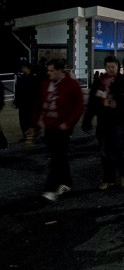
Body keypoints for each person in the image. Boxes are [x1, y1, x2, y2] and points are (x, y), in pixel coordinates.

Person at [29, 59, 84, 202]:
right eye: (48, 71)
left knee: (56, 156)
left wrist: (69, 123)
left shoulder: (71, 85)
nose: (49, 73)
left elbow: (79, 106)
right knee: (59, 156)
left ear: (60, 71)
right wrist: (34, 125)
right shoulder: (45, 84)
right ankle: (66, 182)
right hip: (49, 126)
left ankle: (50, 188)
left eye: (52, 70)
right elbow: (38, 104)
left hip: (63, 127)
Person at [87, 55, 124, 190]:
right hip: (103, 121)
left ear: (118, 67)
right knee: (104, 150)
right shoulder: (99, 82)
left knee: (119, 148)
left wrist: (119, 103)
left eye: (113, 67)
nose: (110, 69)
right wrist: (88, 118)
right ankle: (108, 178)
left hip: (120, 120)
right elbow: (92, 101)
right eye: (108, 66)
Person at [14, 61, 41, 142]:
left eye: (24, 68)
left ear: (28, 68)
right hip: (23, 105)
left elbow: (36, 92)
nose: (22, 69)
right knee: (23, 121)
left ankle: (33, 136)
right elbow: (18, 91)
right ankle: (26, 136)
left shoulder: (34, 79)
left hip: (31, 104)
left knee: (31, 120)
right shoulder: (21, 79)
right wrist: (17, 102)